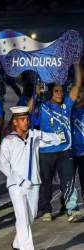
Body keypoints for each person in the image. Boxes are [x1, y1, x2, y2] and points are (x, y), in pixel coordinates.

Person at [0, 106, 65, 250]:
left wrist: (59, 137)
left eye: (27, 119)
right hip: (16, 185)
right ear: (15, 122)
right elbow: (3, 165)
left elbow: (48, 140)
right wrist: (19, 180)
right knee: (22, 218)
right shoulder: (8, 141)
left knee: (30, 217)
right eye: (22, 119)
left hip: (34, 183)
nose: (26, 122)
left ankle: (17, 243)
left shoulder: (33, 137)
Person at [30, 62, 82, 222]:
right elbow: (28, 110)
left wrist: (76, 65)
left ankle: (71, 209)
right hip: (46, 152)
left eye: (61, 91)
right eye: (57, 91)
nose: (60, 93)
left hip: (65, 150)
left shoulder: (67, 105)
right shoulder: (43, 106)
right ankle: (46, 210)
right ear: (51, 92)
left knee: (68, 180)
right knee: (46, 182)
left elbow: (77, 85)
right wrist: (35, 93)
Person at [71, 85, 84, 199]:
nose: (79, 94)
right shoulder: (68, 109)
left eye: (81, 92)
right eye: (77, 92)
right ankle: (67, 206)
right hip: (70, 152)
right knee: (68, 182)